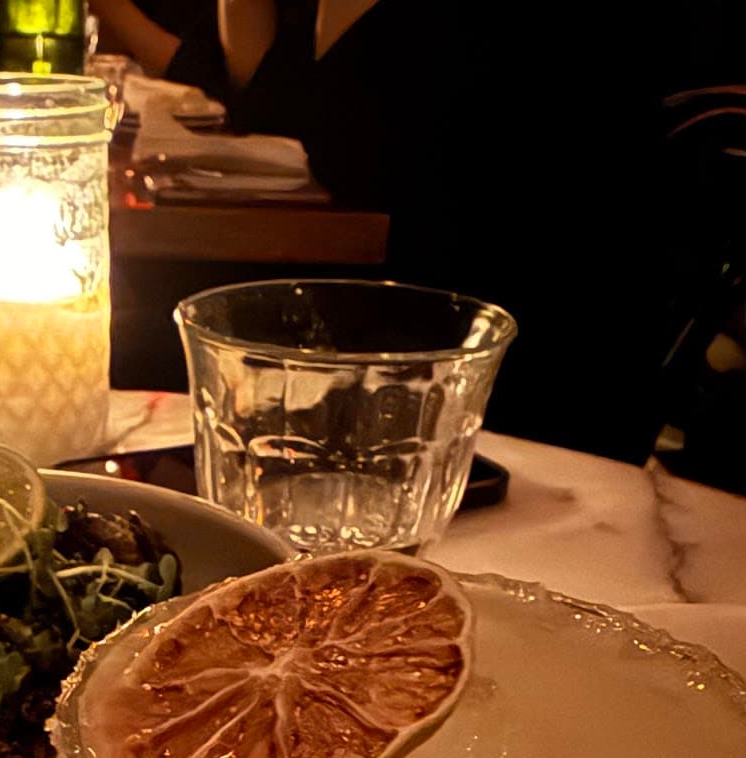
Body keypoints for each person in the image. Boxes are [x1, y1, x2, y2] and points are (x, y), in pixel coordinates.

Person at [156, 0, 676, 463]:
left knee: (167, 345)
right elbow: (264, 106)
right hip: (411, 337)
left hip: (531, 371)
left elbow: (348, 151)